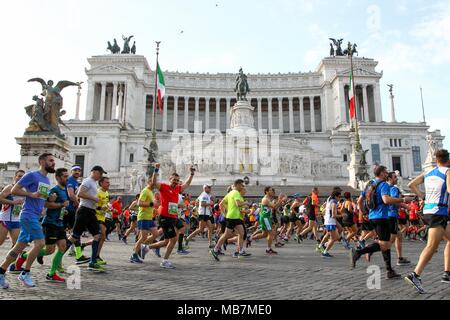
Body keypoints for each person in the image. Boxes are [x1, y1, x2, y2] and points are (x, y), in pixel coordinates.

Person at [0, 153, 54, 289]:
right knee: (40, 243)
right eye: (51, 160)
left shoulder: (47, 181)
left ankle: (1, 271)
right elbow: (14, 189)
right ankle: (25, 272)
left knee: (19, 247)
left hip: (35, 216)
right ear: (42, 161)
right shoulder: (32, 175)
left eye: (54, 160)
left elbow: (40, 199)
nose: (54, 163)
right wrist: (31, 194)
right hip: (28, 215)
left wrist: (49, 200)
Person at [350, 165, 412, 279]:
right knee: (385, 244)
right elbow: (386, 200)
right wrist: (403, 200)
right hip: (382, 217)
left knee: (386, 243)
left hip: (372, 216)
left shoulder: (369, 184)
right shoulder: (383, 184)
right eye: (386, 172)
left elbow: (359, 201)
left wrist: (363, 212)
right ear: (382, 173)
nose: (387, 174)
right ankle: (359, 252)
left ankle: (389, 270)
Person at [405, 149, 450, 293]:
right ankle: (415, 275)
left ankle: (447, 273)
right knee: (431, 246)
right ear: (448, 159)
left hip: (429, 211)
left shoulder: (429, 172)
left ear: (436, 159)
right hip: (439, 212)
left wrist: (422, 195)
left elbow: (411, 184)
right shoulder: (448, 172)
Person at [146, 163, 195, 269]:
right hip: (165, 217)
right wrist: (156, 170)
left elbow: (187, 184)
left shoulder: (177, 189)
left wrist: (191, 173)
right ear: (170, 179)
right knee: (173, 240)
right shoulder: (164, 187)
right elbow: (154, 182)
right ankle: (164, 261)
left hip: (173, 217)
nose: (176, 182)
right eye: (174, 180)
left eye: (177, 180)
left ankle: (146, 248)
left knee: (167, 241)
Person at [67, 166, 107, 272]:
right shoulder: (88, 181)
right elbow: (79, 194)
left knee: (98, 235)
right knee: (74, 237)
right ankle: (58, 257)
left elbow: (90, 200)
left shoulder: (93, 182)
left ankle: (92, 262)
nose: (101, 176)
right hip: (84, 211)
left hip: (91, 212)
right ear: (93, 172)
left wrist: (98, 206)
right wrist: (94, 198)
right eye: (100, 173)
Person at [210, 180, 251, 261]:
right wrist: (246, 203)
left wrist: (225, 212)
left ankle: (240, 251)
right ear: (238, 185)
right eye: (241, 185)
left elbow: (221, 204)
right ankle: (215, 249)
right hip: (233, 217)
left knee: (242, 233)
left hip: (234, 217)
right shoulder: (236, 192)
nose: (242, 187)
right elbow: (238, 204)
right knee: (226, 234)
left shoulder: (230, 193)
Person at [41, 168, 70, 283]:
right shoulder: (54, 190)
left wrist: (63, 210)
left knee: (63, 247)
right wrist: (61, 204)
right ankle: (25, 255)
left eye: (67, 176)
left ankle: (51, 274)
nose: (66, 178)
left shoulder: (65, 190)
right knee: (49, 250)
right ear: (58, 178)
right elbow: (46, 203)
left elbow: (60, 206)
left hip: (59, 223)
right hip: (50, 223)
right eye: (64, 176)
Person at [130, 177, 158, 263]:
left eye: (155, 182)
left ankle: (143, 247)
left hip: (149, 217)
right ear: (148, 182)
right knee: (143, 237)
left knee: (155, 234)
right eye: (153, 182)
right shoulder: (145, 191)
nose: (155, 183)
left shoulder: (151, 192)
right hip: (143, 217)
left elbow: (151, 205)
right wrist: (152, 204)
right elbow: (139, 203)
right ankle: (134, 255)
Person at [251, 187, 286, 255]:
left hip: (266, 217)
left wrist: (280, 200)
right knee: (271, 233)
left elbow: (275, 207)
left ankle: (250, 238)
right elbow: (274, 207)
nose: (272, 191)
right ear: (266, 192)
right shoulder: (266, 199)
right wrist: (280, 199)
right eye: (270, 190)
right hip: (265, 218)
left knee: (264, 234)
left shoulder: (268, 199)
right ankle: (268, 249)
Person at [386, 172, 410, 266]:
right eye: (395, 177)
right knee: (390, 240)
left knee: (399, 236)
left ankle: (400, 257)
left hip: (387, 215)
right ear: (389, 179)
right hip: (392, 215)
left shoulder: (385, 188)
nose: (397, 178)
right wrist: (406, 206)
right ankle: (371, 249)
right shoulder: (394, 188)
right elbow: (395, 202)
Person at [0, 170, 25, 247]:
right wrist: (14, 202)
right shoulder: (10, 187)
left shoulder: (24, 190)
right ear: (15, 177)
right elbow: (0, 198)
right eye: (19, 176)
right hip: (5, 219)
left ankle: (9, 259)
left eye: (23, 176)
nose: (21, 178)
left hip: (16, 220)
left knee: (16, 245)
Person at [321, 187, 343, 258]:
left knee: (336, 237)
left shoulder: (330, 200)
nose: (340, 198)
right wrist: (342, 215)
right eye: (339, 196)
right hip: (330, 222)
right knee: (333, 238)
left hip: (329, 221)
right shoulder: (334, 202)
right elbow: (333, 215)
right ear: (336, 196)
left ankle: (324, 245)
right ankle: (325, 251)